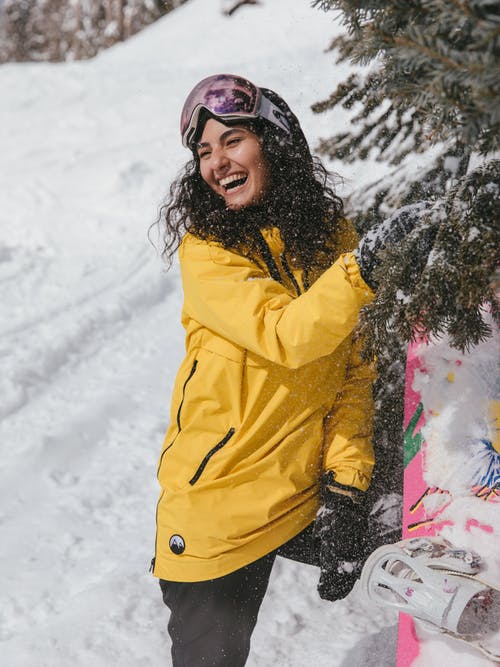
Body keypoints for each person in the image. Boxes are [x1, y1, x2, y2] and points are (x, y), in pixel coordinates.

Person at [151, 73, 410, 666]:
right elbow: (287, 335)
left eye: (233, 140)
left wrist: (346, 485)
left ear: (276, 141)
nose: (217, 163)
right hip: (220, 514)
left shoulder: (327, 241)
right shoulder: (208, 252)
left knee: (409, 512)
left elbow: (354, 371)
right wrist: (362, 268)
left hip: (299, 496)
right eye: (204, 152)